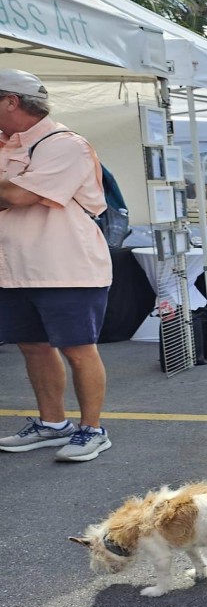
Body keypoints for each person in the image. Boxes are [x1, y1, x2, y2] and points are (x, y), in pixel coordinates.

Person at [0, 69, 114, 462]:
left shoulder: (65, 144)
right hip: (15, 268)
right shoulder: (8, 145)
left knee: (79, 348)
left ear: (11, 101)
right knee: (33, 347)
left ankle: (92, 430)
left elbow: (16, 194)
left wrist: (13, 192)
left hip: (67, 266)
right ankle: (52, 425)